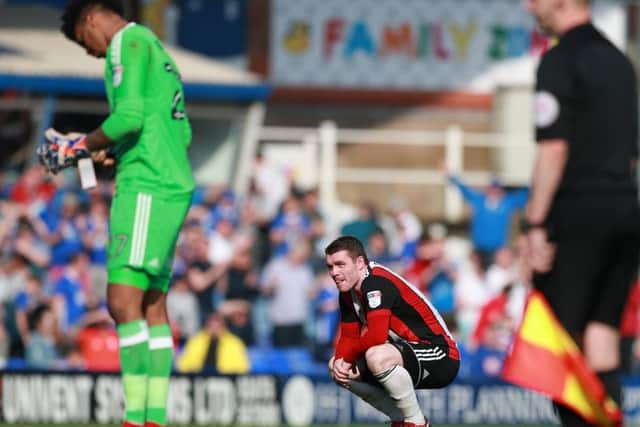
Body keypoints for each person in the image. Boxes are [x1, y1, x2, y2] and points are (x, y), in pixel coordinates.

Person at [41, 2, 195, 426]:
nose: (90, 53)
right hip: (170, 180)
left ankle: (135, 419)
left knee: (121, 299)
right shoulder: (158, 50)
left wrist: (78, 147)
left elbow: (127, 116)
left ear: (90, 18)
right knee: (151, 303)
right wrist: (113, 151)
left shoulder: (125, 42)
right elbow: (178, 129)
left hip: (146, 184)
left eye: (83, 43)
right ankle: (153, 419)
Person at [523, 0, 640, 425]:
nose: (527, 5)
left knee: (564, 340)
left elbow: (553, 147)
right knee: (602, 332)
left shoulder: (559, 60)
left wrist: (534, 223)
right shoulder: (618, 61)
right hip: (626, 208)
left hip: (578, 211)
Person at [325, 236, 459, 427]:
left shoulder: (375, 281)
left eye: (340, 264)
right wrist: (341, 359)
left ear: (360, 262)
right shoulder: (347, 292)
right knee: (334, 365)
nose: (334, 272)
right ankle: (399, 419)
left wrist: (347, 357)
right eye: (330, 266)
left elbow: (376, 336)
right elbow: (348, 336)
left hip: (441, 354)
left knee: (376, 356)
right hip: (404, 353)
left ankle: (416, 422)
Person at [445, 171, 528, 268]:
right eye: (492, 188)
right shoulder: (479, 201)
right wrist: (450, 176)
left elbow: (526, 194)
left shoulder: (507, 203)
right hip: (479, 248)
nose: (494, 191)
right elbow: (464, 190)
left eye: (497, 188)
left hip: (497, 250)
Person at [176, 311, 250, 375]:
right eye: (211, 326)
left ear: (224, 327)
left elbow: (243, 368)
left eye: (218, 326)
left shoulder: (235, 343)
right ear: (206, 326)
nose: (214, 329)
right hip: (199, 379)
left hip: (225, 380)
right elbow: (182, 366)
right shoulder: (195, 341)